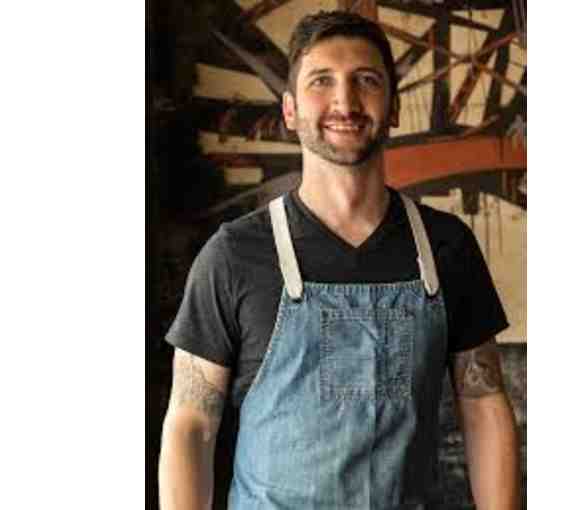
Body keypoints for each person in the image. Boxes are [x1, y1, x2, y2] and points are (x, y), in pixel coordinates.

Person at [159, 10, 520, 510]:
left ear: (394, 107)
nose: (345, 101)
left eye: (366, 80)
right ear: (290, 111)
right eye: (321, 81)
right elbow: (192, 424)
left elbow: (483, 405)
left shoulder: (446, 247)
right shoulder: (235, 254)